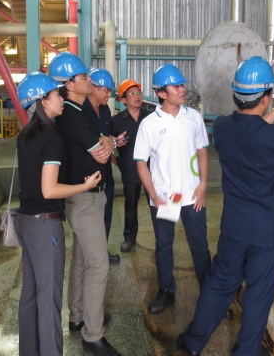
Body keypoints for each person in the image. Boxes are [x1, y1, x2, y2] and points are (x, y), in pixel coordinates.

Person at [177, 56, 274, 356]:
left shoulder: (222, 127)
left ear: (236, 95)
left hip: (234, 228)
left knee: (218, 284)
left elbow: (252, 131)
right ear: (265, 97)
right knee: (258, 296)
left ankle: (193, 342)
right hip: (268, 234)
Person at [14, 72, 102, 356]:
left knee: (30, 295)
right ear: (43, 102)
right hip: (44, 227)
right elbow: (50, 190)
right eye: (55, 95)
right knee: (49, 298)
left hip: (25, 222)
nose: (60, 98)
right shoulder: (51, 137)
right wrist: (85, 186)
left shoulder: (25, 134)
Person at [49, 52, 122, 356]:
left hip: (85, 197)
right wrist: (110, 142)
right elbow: (102, 154)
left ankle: (78, 316)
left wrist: (106, 141)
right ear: (69, 84)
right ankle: (93, 335)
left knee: (81, 259)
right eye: (83, 77)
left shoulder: (78, 112)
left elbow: (102, 144)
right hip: (85, 199)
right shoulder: (72, 115)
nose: (89, 80)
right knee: (98, 265)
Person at [134, 64, 213, 315]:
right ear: (161, 93)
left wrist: (203, 184)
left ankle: (210, 293)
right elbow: (141, 162)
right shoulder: (149, 124)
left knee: (199, 245)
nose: (182, 89)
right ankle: (166, 290)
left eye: (182, 85)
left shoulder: (194, 117)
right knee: (164, 245)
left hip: (192, 194)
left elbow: (202, 151)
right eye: (176, 86)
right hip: (164, 196)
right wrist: (153, 195)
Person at [83, 68, 123, 264]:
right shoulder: (81, 111)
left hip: (106, 173)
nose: (109, 95)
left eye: (110, 91)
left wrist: (115, 141)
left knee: (106, 216)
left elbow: (105, 138)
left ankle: (101, 253)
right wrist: (110, 141)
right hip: (87, 175)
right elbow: (97, 141)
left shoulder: (106, 110)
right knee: (89, 221)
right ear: (93, 88)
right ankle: (90, 257)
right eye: (106, 90)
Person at [110, 79, 150, 253]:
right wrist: (117, 162)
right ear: (123, 99)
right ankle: (129, 238)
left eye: (138, 93)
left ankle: (162, 238)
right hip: (130, 171)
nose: (137, 96)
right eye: (131, 94)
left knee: (156, 205)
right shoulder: (116, 121)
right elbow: (106, 143)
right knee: (130, 206)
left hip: (152, 171)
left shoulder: (151, 117)